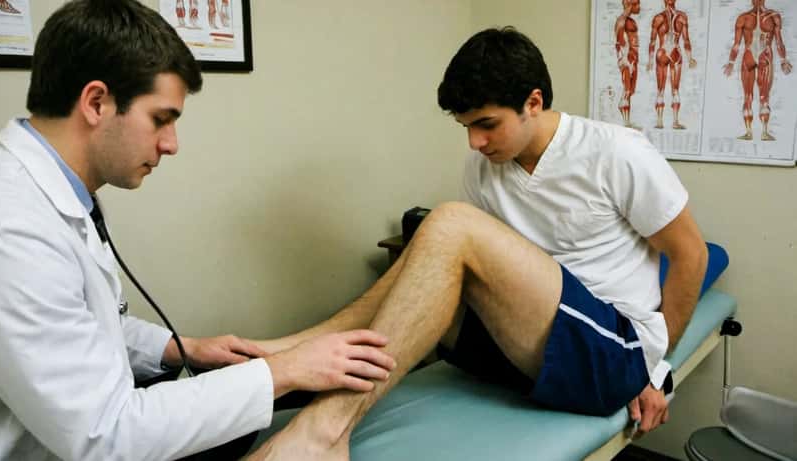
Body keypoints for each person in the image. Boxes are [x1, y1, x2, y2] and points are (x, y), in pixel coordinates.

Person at [246, 27, 708, 460]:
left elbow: (690, 255)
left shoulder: (617, 152)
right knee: (425, 265)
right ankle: (287, 358)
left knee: (448, 223)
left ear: (533, 101)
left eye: (487, 124)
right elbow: (466, 263)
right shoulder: (484, 169)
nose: (474, 141)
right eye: (466, 126)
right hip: (529, 351)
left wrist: (654, 369)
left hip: (610, 356)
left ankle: (327, 429)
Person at [0, 1, 396, 460]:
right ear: (96, 102)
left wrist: (182, 349)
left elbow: (88, 327)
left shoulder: (58, 194)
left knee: (237, 415)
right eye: (161, 119)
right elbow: (103, 436)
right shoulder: (5, 228)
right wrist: (284, 371)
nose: (171, 145)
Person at [723, 0, 792, 141]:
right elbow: (778, 42)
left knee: (749, 96)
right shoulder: (773, 16)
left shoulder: (744, 17)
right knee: (763, 97)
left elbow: (737, 45)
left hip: (749, 56)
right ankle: (763, 133)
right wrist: (783, 60)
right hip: (764, 56)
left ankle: (750, 132)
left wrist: (731, 62)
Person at [647, 0, 697, 130]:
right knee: (675, 89)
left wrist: (651, 60)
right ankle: (674, 121)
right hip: (675, 51)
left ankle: (659, 121)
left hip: (662, 51)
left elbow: (653, 41)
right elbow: (686, 40)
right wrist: (690, 58)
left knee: (661, 89)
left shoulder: (658, 18)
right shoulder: (682, 16)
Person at [614, 0, 641, 129]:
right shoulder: (622, 20)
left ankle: (627, 121)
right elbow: (620, 41)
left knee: (630, 90)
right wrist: (625, 59)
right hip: (627, 57)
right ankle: (625, 122)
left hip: (633, 56)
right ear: (630, 4)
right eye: (637, 4)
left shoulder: (630, 20)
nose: (639, 7)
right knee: (627, 89)